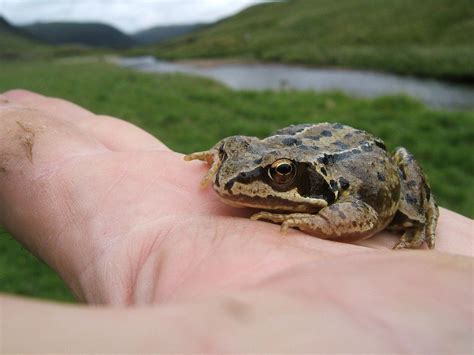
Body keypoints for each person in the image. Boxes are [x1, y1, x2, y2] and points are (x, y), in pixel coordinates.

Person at [1, 89, 472, 353]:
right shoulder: (244, 160)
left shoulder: (334, 190)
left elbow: (366, 213)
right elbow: (242, 149)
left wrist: (314, 223)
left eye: (278, 175)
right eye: (226, 158)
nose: (227, 181)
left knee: (404, 171)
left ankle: (420, 221)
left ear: (294, 177)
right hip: (308, 143)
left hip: (361, 164)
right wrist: (226, 152)